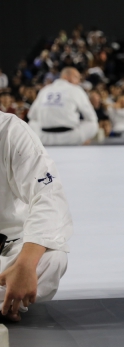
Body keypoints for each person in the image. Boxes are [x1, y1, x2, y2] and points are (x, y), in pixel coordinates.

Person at [0, 111, 72, 322]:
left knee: (52, 259)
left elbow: (49, 195)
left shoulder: (10, 131)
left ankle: (14, 289)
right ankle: (7, 302)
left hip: (7, 249)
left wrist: (25, 264)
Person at [27, 67, 98, 146]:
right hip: (70, 137)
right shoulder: (76, 89)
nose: (78, 81)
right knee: (93, 124)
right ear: (65, 77)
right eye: (76, 77)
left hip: (44, 138)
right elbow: (92, 117)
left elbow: (31, 115)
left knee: (32, 123)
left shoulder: (45, 90)